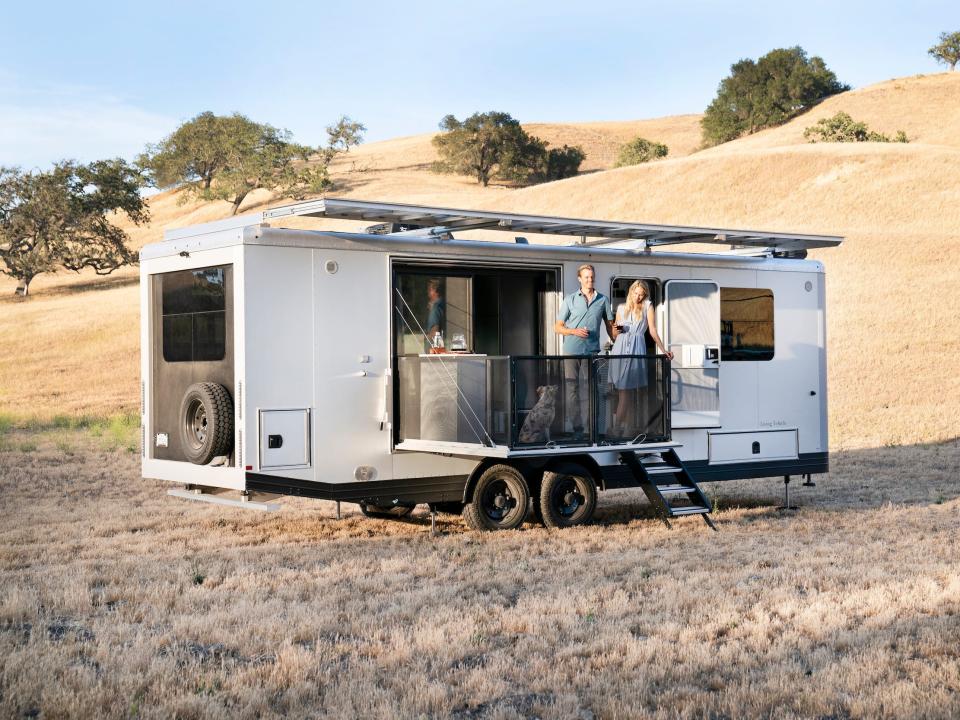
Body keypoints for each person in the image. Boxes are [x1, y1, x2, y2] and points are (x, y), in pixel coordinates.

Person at [554, 264, 617, 440]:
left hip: (592, 352)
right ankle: (577, 430)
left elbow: (611, 328)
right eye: (586, 277)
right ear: (579, 279)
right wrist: (573, 331)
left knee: (593, 390)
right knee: (572, 390)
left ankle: (593, 430)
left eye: (592, 277)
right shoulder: (570, 299)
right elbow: (557, 327)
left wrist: (622, 332)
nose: (590, 280)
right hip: (572, 351)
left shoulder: (603, 300)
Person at [609, 280, 673, 437]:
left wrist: (663, 349)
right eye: (636, 293)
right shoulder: (621, 308)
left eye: (641, 294)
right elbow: (614, 335)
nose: (638, 297)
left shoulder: (647, 306)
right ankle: (626, 428)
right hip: (620, 348)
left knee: (626, 392)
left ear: (645, 295)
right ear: (631, 292)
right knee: (624, 392)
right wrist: (617, 329)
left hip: (636, 348)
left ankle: (618, 428)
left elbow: (652, 330)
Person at [426, 279, 445, 346]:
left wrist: (426, 337)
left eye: (429, 290)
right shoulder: (442, 305)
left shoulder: (435, 309)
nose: (428, 293)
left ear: (436, 292)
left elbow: (435, 333)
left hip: (434, 350)